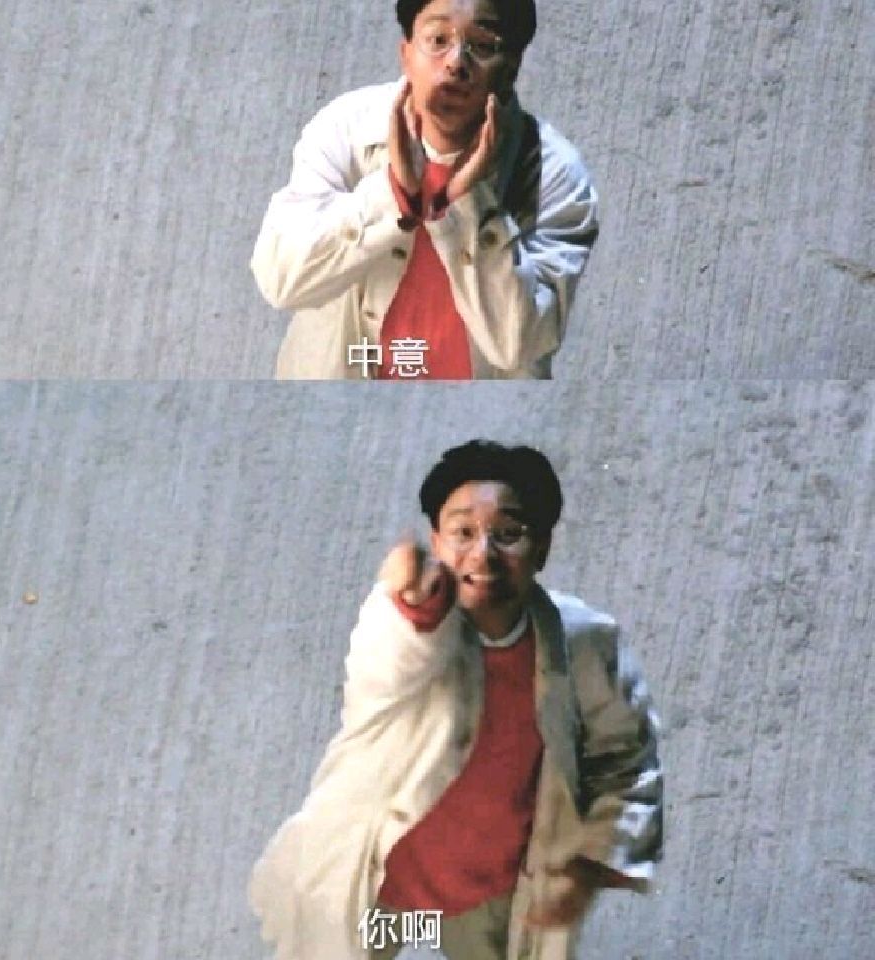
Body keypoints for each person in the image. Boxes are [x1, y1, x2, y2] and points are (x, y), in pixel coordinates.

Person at [249, 441, 662, 960]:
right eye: (463, 532)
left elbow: (626, 755)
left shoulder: (583, 643)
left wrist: (591, 859)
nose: (483, 554)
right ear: (436, 542)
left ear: (542, 548)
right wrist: (415, 607)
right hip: (381, 891)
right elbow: (387, 666)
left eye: (508, 534)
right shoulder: (406, 622)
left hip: (489, 898)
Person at [252, 0, 599, 380]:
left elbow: (517, 345)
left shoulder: (555, 172)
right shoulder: (347, 129)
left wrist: (471, 203)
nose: (456, 62)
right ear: (406, 53)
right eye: (437, 39)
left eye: (483, 45)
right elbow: (282, 281)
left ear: (513, 65)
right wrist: (393, 194)